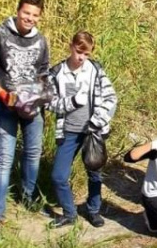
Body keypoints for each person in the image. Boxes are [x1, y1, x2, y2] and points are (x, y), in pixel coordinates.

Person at [0, 0, 50, 226]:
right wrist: (2, 94)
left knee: (32, 154)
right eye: (26, 13)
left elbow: (43, 73)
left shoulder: (41, 41)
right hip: (4, 106)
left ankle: (28, 198)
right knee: (3, 159)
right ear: (18, 11)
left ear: (40, 17)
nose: (29, 18)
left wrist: (42, 95)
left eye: (35, 15)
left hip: (32, 107)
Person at [46, 31, 118, 229]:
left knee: (94, 173)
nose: (81, 58)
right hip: (68, 131)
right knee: (58, 176)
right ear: (71, 46)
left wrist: (97, 122)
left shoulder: (95, 70)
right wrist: (71, 102)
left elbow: (111, 98)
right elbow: (49, 103)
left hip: (92, 132)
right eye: (79, 52)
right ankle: (70, 213)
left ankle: (93, 210)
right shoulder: (57, 72)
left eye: (86, 54)